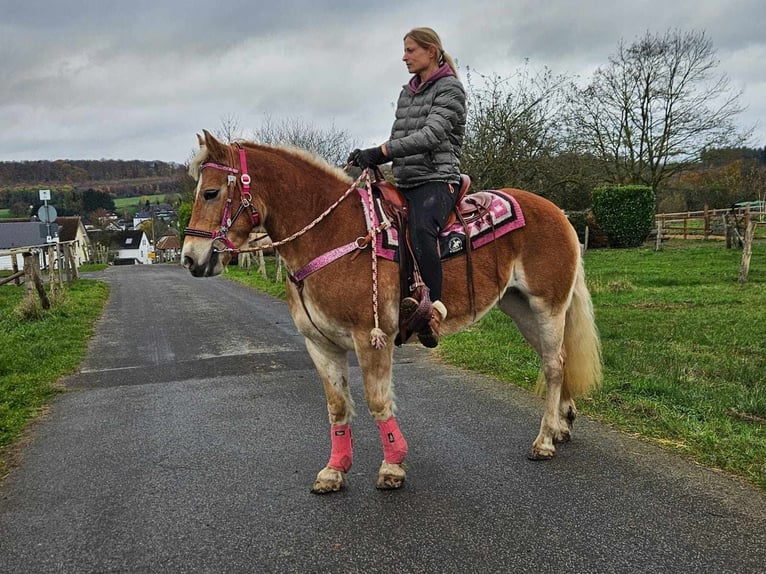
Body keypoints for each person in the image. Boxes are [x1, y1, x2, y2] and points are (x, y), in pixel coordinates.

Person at [349, 27, 466, 348]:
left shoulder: (450, 89)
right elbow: (401, 138)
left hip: (438, 180)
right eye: (405, 50)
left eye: (411, 50)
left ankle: (434, 309)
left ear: (431, 51)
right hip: (407, 180)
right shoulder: (407, 92)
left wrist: (382, 151)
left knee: (421, 230)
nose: (404, 56)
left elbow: (431, 135)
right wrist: (370, 158)